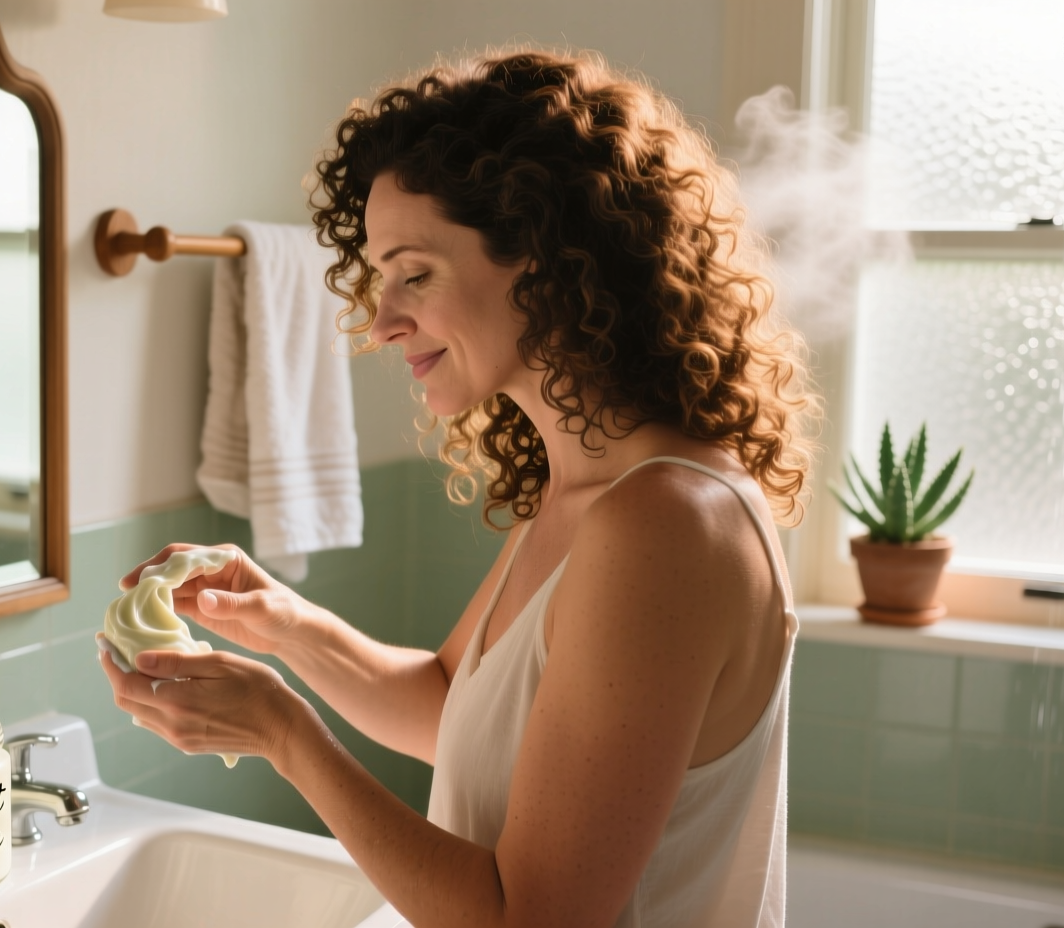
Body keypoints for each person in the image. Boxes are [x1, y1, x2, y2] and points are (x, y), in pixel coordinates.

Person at [98, 50, 817, 927]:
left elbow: (529, 919)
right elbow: (456, 711)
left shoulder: (664, 523)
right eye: (379, 278)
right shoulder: (589, 491)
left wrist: (284, 733)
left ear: (547, 262)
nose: (380, 321)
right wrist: (283, 624)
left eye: (416, 274)